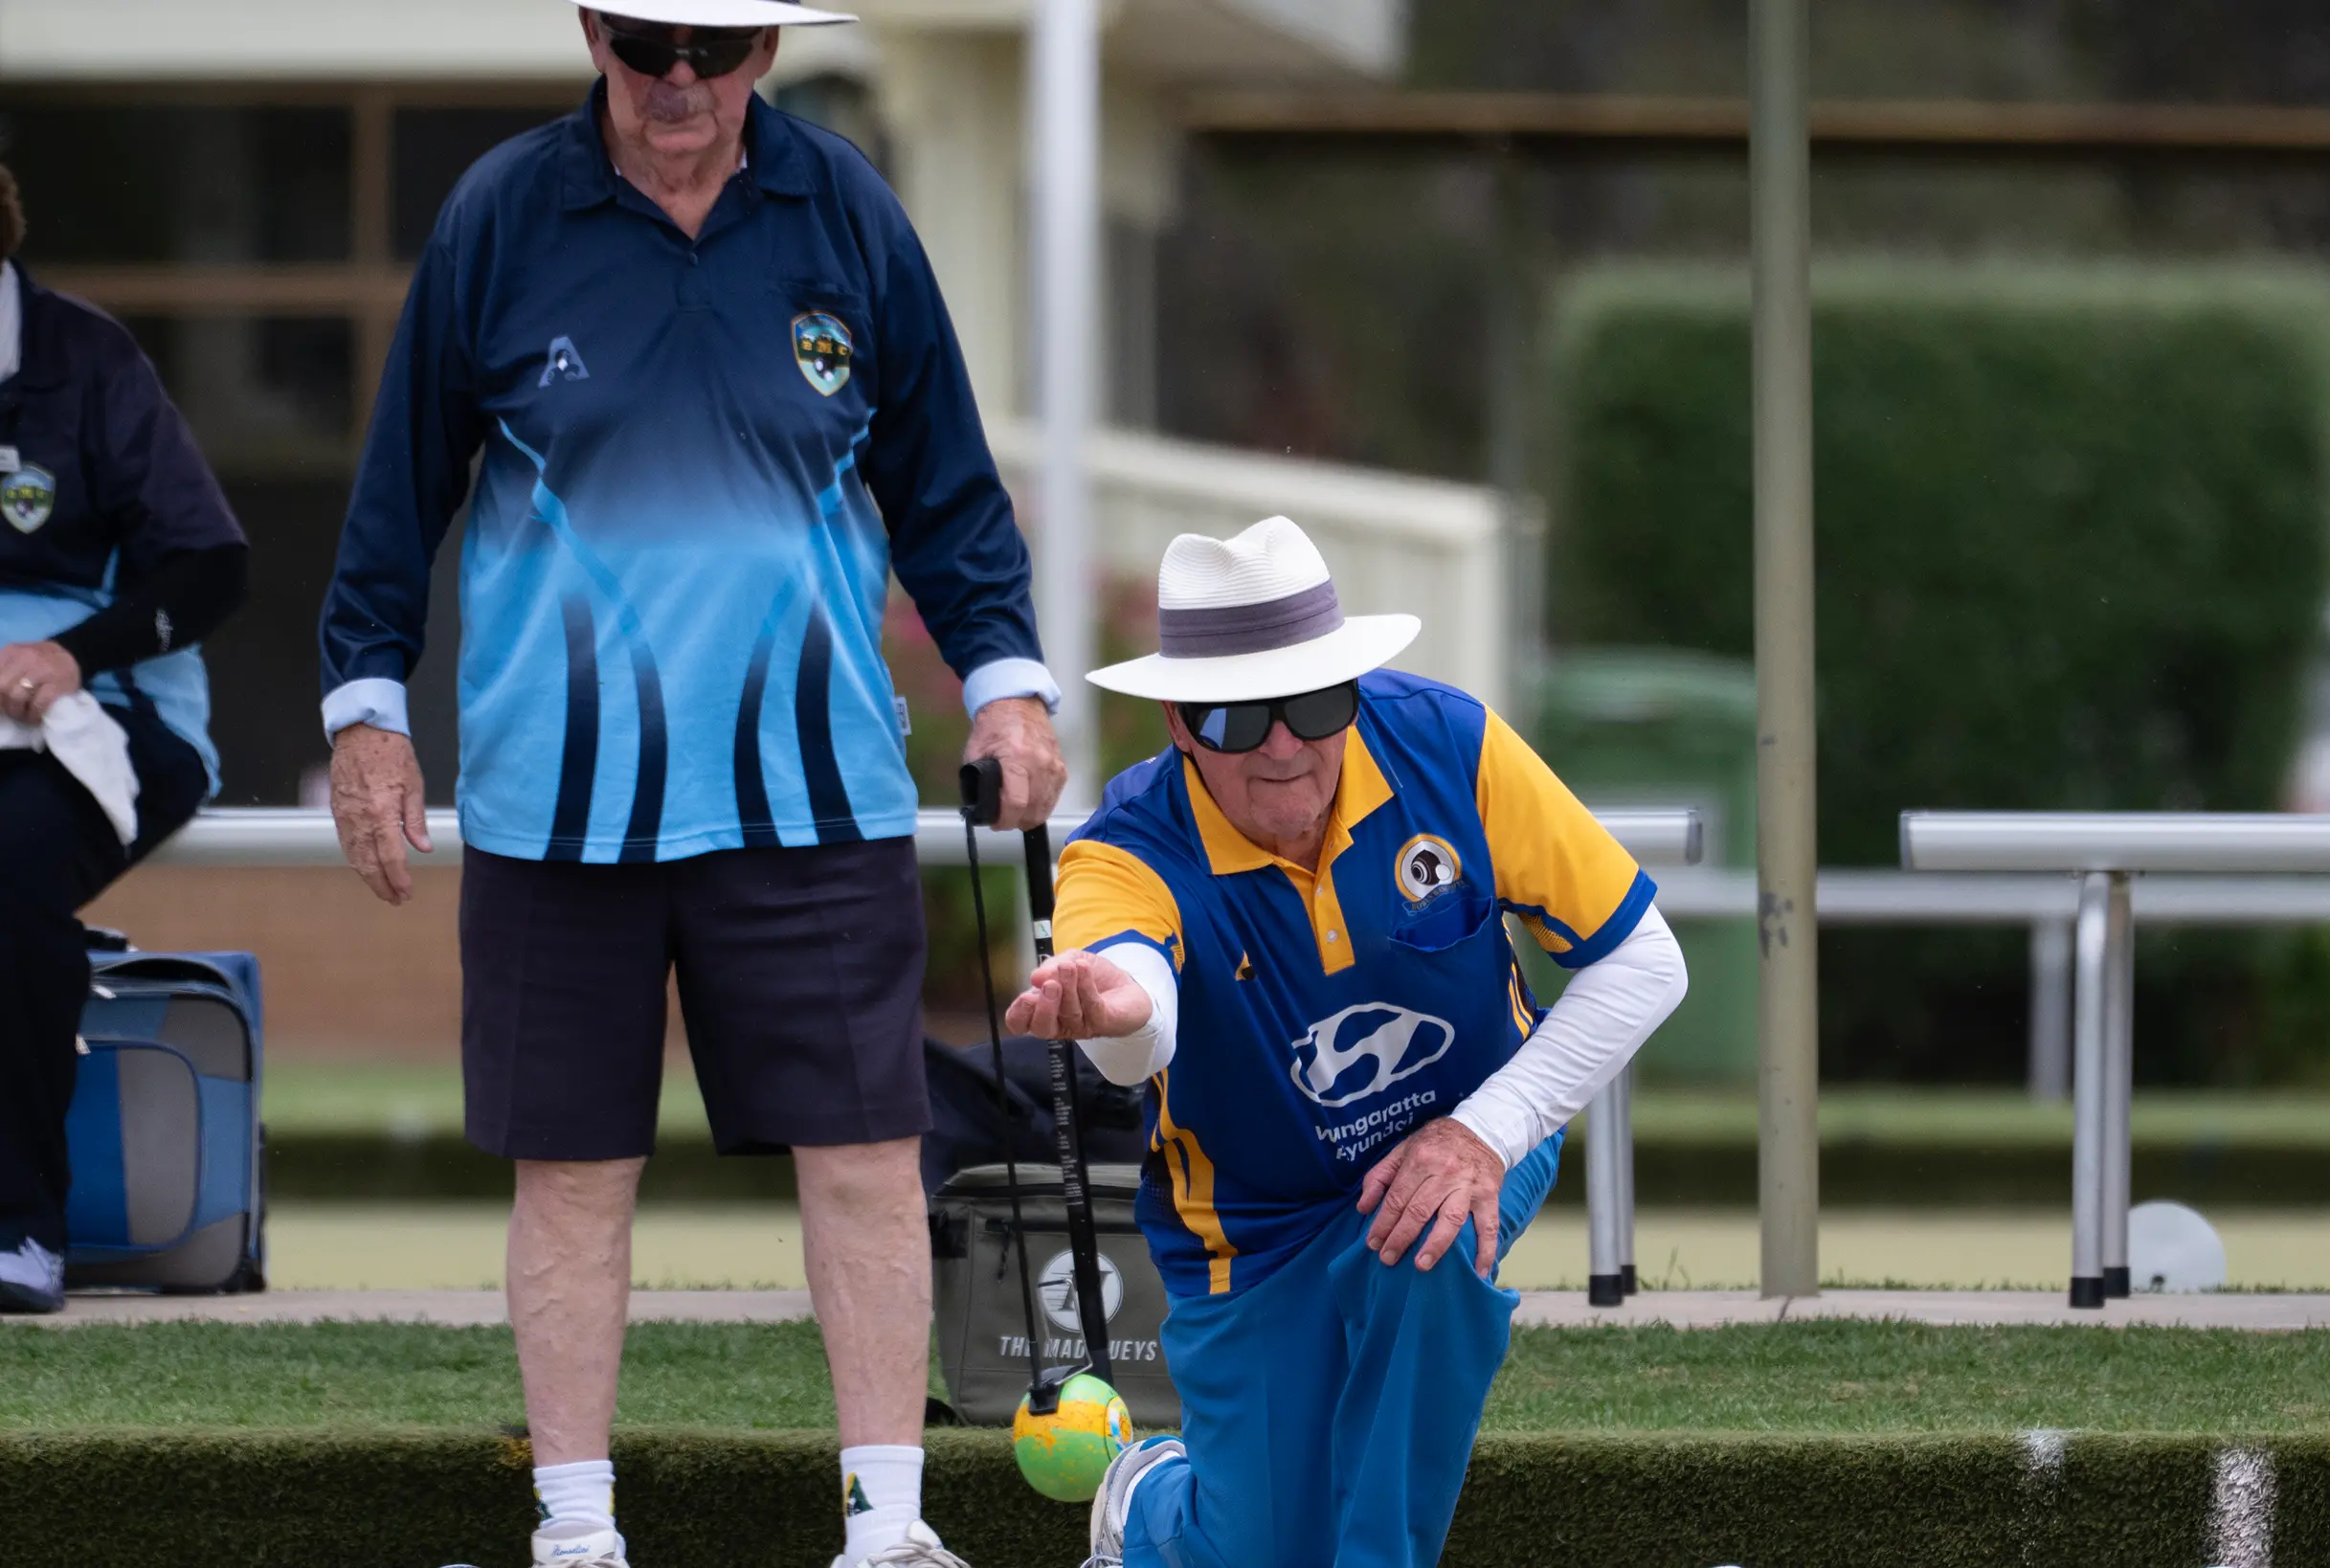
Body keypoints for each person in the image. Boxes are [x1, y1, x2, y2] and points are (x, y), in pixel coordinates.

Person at [316, 6, 1064, 1565]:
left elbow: (950, 492)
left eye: (712, 49)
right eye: (646, 41)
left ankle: (886, 1523)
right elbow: (397, 490)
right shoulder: (499, 216)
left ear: (767, 53)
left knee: (865, 1160)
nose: (676, 82)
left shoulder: (848, 212)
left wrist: (1008, 683)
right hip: (555, 805)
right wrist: (367, 713)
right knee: (573, 1173)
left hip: (812, 795)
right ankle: (577, 1532)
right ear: (593, 31)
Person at [1005, 518, 1689, 1568]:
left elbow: (1645, 961)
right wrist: (1114, 1010)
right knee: (1262, 1549)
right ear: (1180, 724)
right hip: (1252, 1228)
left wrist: (1484, 1133)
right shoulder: (1122, 850)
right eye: (1238, 717)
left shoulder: (1452, 745)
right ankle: (1148, 1507)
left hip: (1469, 1133)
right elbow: (1138, 1011)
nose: (1284, 745)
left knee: (1430, 1241)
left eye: (1316, 702)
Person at [0, 161, 250, 1313]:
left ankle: (20, 1230)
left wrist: (68, 658)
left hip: (114, 718)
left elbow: (208, 567)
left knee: (6, 870)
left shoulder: (87, 363)